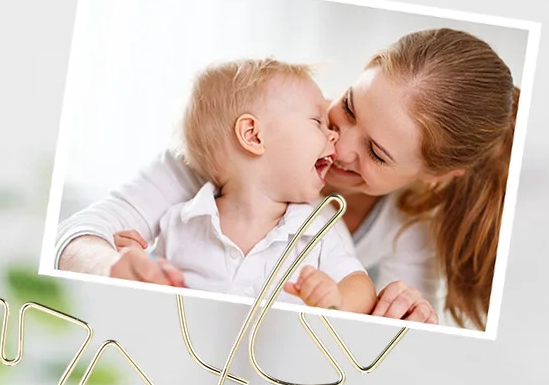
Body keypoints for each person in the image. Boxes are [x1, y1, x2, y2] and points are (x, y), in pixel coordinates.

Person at [55, 27, 520, 330]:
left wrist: (401, 325)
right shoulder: (227, 152)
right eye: (350, 108)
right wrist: (116, 268)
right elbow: (76, 237)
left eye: (376, 153)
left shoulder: (406, 227)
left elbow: (363, 320)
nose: (340, 142)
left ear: (435, 177)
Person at [126, 57, 375, 312]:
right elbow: (152, 294)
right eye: (316, 121)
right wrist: (136, 260)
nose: (333, 134)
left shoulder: (316, 231)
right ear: (253, 135)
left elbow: (361, 286)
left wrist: (338, 298)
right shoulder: (180, 223)